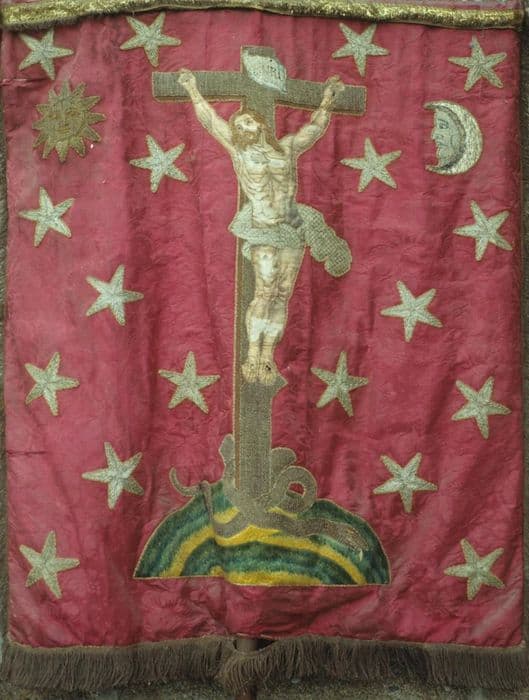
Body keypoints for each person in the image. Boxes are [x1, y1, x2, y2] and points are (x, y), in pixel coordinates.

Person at [178, 68, 352, 384]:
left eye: (245, 122)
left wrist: (327, 100)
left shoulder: (286, 148)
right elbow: (211, 121)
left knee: (282, 293)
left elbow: (314, 129)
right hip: (262, 226)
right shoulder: (240, 151)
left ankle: (268, 355)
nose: (240, 127)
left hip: (292, 225)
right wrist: (192, 89)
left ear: (259, 124)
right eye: (237, 125)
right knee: (265, 290)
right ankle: (252, 354)